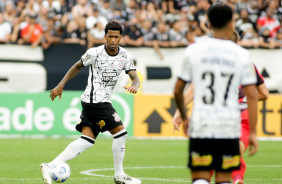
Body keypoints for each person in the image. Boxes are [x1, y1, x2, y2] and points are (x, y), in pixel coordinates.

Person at [40, 20, 141, 184]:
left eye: (116, 37)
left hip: (94, 101)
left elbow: (134, 77)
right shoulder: (94, 53)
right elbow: (77, 66)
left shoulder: (126, 56)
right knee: (121, 134)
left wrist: (135, 86)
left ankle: (51, 165)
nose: (113, 40)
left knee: (87, 140)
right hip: (96, 101)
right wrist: (60, 85)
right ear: (105, 36)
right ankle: (119, 175)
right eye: (110, 36)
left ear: (121, 37)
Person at [173, 5, 258, 184]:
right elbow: (252, 94)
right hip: (229, 126)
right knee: (223, 178)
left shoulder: (194, 51)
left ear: (209, 23)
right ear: (231, 23)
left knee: (200, 177)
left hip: (201, 124)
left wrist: (184, 117)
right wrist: (254, 132)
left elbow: (178, 89)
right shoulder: (242, 55)